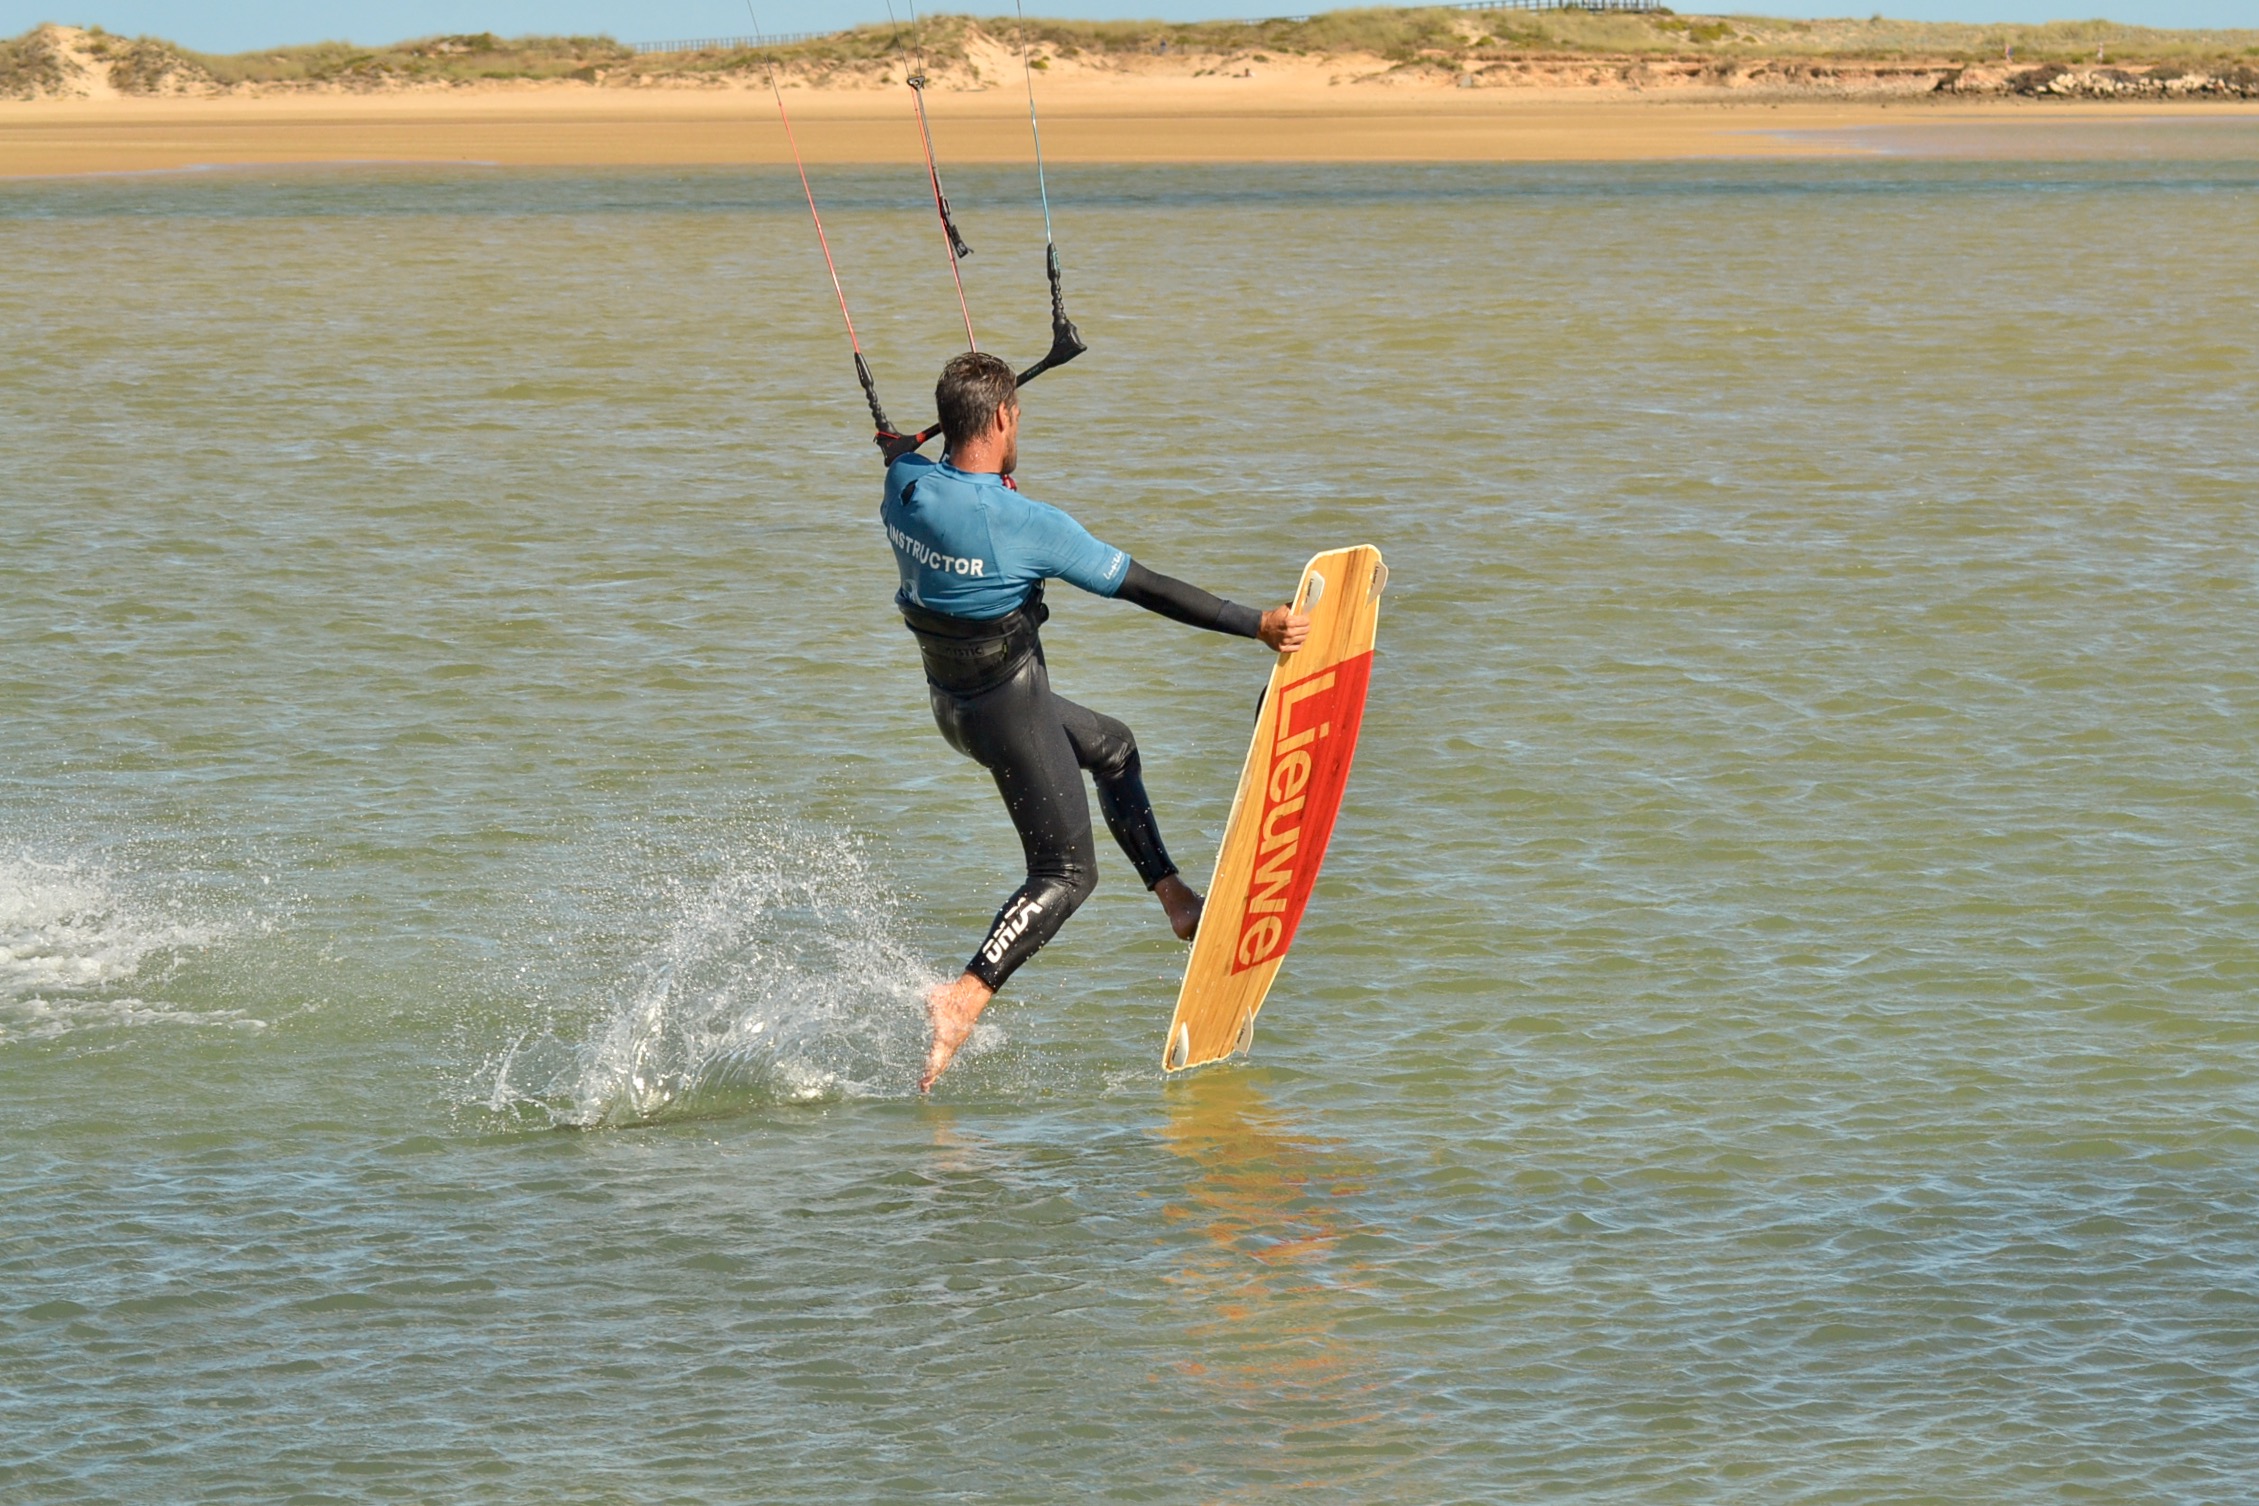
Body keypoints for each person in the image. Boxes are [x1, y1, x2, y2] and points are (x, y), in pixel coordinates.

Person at [884, 351, 1310, 1091]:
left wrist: (906, 448)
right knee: (1066, 874)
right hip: (1009, 710)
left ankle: (1175, 900)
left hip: (955, 705)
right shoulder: (1024, 524)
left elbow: (902, 458)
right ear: (1002, 418)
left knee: (1112, 747)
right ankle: (965, 995)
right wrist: (1258, 624)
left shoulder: (903, 490)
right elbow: (1144, 586)